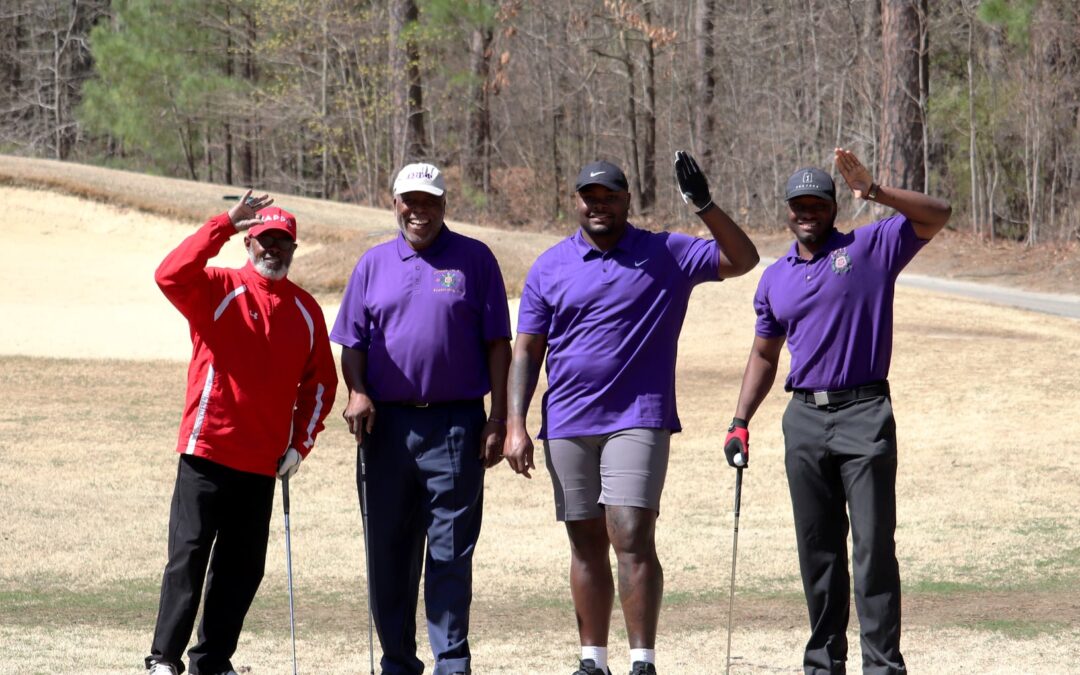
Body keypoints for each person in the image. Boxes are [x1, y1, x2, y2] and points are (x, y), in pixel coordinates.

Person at [504, 154, 759, 675]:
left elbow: (743, 258)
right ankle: (591, 660)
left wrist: (704, 205)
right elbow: (527, 350)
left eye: (609, 197)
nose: (598, 205)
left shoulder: (665, 251)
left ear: (627, 201)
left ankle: (642, 661)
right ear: (576, 202)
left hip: (637, 415)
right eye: (588, 197)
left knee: (631, 531)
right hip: (568, 420)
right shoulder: (550, 265)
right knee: (585, 540)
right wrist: (515, 425)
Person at [723, 148, 952, 674]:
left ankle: (882, 666)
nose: (808, 213)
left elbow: (937, 214)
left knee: (872, 551)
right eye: (799, 204)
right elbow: (764, 353)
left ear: (832, 207)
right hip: (803, 420)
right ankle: (823, 664)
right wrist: (740, 422)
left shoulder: (870, 246)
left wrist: (875, 192)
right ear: (787, 208)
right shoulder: (774, 278)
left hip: (864, 413)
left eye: (818, 204)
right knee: (818, 553)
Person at [145, 192, 338, 675]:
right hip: (207, 449)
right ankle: (163, 657)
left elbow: (321, 386)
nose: (274, 249)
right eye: (265, 240)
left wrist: (300, 444)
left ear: (293, 249)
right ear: (249, 242)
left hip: (262, 463)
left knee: (242, 568)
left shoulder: (306, 311)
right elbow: (168, 274)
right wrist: (223, 224)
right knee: (188, 557)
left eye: (283, 243)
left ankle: (211, 661)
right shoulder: (216, 286)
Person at [331, 162, 511, 675]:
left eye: (429, 200)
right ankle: (397, 662)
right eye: (410, 200)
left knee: (450, 552)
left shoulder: (475, 260)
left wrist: (498, 417)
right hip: (385, 429)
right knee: (387, 551)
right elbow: (353, 340)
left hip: (455, 426)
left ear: (444, 205)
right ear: (395, 204)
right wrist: (358, 391)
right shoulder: (372, 264)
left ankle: (451, 662)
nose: (419, 210)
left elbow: (499, 343)